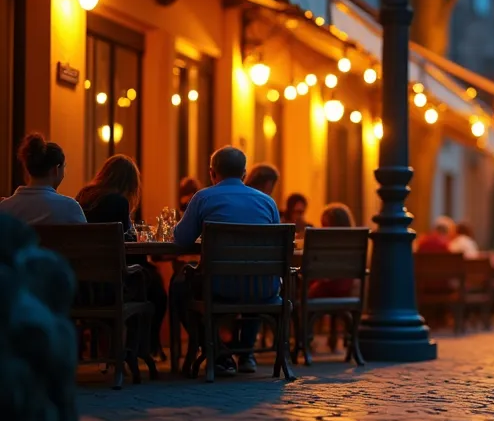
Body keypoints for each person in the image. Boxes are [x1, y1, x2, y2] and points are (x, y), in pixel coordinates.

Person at [171, 147, 282, 376]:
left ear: (212, 173)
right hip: (263, 289)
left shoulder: (203, 198)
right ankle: (246, 353)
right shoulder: (268, 203)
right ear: (244, 174)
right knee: (253, 275)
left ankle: (218, 352)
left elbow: (181, 240)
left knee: (179, 286)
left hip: (219, 286)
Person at [75, 155, 168, 356]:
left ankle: (131, 347)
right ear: (129, 183)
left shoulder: (83, 196)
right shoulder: (118, 202)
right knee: (156, 288)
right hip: (113, 283)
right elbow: (127, 242)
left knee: (149, 278)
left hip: (82, 285)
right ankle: (139, 348)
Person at [0, 133, 85, 225]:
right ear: (55, 170)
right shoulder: (70, 207)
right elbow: (86, 238)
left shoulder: (4, 208)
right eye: (64, 167)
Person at [307, 203, 358, 299]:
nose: (322, 229)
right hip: (346, 293)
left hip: (329, 291)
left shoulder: (330, 248)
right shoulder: (353, 246)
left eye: (325, 225)